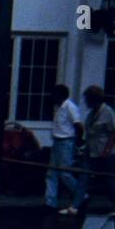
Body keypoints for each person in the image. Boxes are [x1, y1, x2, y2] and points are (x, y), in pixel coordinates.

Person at [74, 85, 115, 213]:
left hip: (104, 151)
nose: (85, 102)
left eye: (87, 99)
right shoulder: (91, 113)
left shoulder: (108, 112)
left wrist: (107, 151)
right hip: (90, 150)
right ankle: (75, 206)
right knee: (83, 177)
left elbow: (113, 132)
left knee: (108, 180)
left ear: (93, 99)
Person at [45, 83, 83, 215]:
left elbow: (78, 125)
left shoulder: (70, 107)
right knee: (51, 173)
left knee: (65, 173)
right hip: (57, 141)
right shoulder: (58, 108)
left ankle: (81, 194)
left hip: (66, 141)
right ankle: (50, 202)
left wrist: (78, 143)